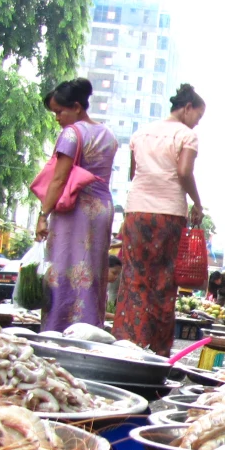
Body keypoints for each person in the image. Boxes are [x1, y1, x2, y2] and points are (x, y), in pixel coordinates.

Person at [112, 84, 206, 354]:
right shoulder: (185, 135)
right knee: (164, 282)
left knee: (133, 280)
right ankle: (156, 353)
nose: (196, 124)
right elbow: (184, 171)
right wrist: (197, 203)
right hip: (169, 214)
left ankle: (129, 346)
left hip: (136, 211)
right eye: (197, 117)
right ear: (187, 109)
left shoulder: (140, 134)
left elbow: (133, 174)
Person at [34, 78, 118, 331]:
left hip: (75, 208)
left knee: (62, 268)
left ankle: (58, 329)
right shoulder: (108, 135)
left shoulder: (72, 133)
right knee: (92, 273)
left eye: (60, 111)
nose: (57, 117)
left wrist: (42, 214)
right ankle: (89, 329)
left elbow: (59, 178)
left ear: (77, 107)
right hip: (102, 208)